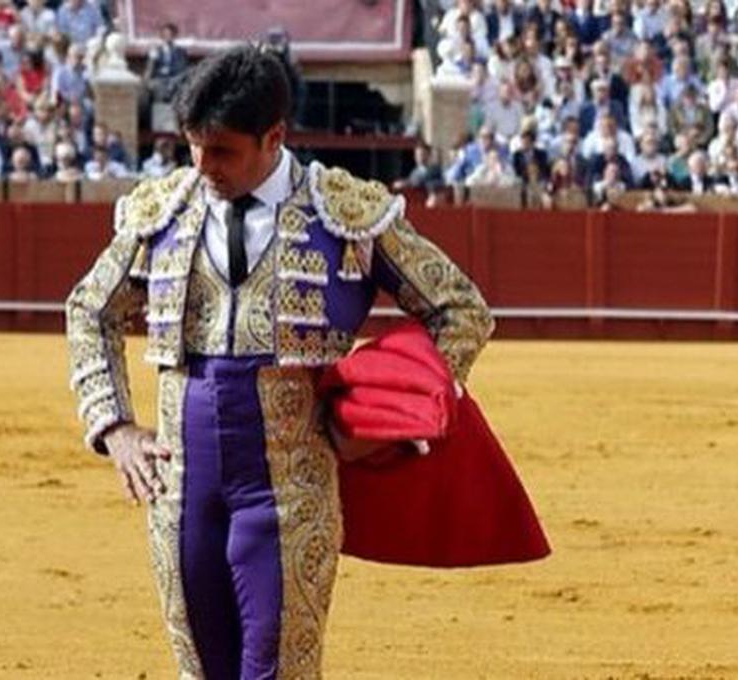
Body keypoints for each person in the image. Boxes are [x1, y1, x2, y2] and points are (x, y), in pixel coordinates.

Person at [66, 45, 494, 679]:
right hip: (182, 487)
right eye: (194, 147)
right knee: (201, 670)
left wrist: (390, 415)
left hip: (291, 488)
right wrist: (116, 428)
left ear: (274, 136)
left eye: (221, 151)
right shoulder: (162, 210)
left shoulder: (345, 212)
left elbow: (461, 310)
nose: (202, 166)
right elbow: (88, 310)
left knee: (280, 671)